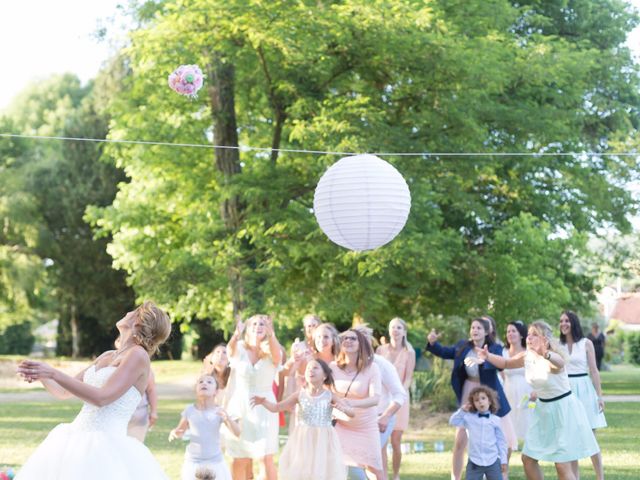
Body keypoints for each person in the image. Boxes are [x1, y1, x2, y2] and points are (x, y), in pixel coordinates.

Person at [15, 301, 172, 480]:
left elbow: (102, 398)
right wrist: (41, 374)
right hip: (74, 439)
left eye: (134, 311)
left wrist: (53, 372)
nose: (128, 311)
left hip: (106, 447)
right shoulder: (107, 355)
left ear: (139, 322)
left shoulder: (138, 355)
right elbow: (62, 392)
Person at [475, 321, 600, 480]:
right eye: (529, 334)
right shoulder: (527, 356)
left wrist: (545, 353)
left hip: (563, 411)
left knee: (561, 464)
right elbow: (506, 363)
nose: (529, 337)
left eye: (535, 334)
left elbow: (559, 364)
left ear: (545, 339)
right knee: (527, 459)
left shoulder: (552, 355)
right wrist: (488, 356)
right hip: (543, 411)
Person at [425, 318, 511, 480]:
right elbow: (445, 352)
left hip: (487, 394)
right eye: (473, 327)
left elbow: (500, 365)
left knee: (490, 436)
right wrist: (433, 343)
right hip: (469, 392)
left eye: (479, 327)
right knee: (460, 440)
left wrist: (484, 360)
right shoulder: (463, 346)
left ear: (487, 331)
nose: (475, 330)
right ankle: (455, 477)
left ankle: (497, 474)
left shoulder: (495, 348)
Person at [251, 359, 353, 480]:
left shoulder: (329, 395)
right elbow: (276, 408)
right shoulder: (300, 395)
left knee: (322, 469)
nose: (311, 370)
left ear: (324, 376)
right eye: (308, 368)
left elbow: (352, 413)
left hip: (323, 440)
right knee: (303, 470)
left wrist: (344, 409)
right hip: (303, 439)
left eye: (315, 368)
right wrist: (264, 402)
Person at [223, 314, 282, 480]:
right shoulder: (240, 347)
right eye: (254, 324)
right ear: (247, 329)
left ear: (268, 328)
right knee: (240, 456)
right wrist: (236, 334)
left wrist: (272, 335)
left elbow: (277, 358)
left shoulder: (273, 348)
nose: (258, 326)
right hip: (241, 405)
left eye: (262, 324)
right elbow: (229, 351)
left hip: (265, 406)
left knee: (266, 456)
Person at [330, 328, 384, 480]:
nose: (348, 341)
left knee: (375, 469)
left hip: (366, 427)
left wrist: (351, 403)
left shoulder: (372, 368)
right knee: (339, 468)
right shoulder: (333, 367)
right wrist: (338, 402)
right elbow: (326, 391)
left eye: (353, 338)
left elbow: (375, 398)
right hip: (340, 426)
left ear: (361, 344)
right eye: (345, 338)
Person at [559, 311, 606, 480]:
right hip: (566, 391)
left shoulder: (586, 343)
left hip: (585, 390)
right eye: (561, 321)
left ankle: (600, 477)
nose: (563, 323)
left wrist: (599, 396)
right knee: (571, 438)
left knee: (590, 438)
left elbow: (594, 370)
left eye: (566, 321)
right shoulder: (558, 345)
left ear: (573, 322)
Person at [169, 374, 240, 480]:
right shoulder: (189, 410)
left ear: (216, 392)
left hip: (215, 462)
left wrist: (227, 419)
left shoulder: (219, 411)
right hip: (193, 462)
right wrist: (175, 433)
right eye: (201, 382)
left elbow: (237, 433)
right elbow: (180, 431)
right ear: (196, 390)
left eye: (209, 382)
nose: (204, 383)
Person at [375, 318, 415, 480]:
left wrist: (400, 394)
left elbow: (409, 377)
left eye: (399, 327)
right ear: (389, 330)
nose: (396, 330)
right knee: (382, 442)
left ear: (404, 331)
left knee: (396, 441)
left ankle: (396, 475)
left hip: (401, 400)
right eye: (393, 327)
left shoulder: (409, 352)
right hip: (382, 400)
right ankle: (382, 475)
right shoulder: (380, 350)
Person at [449, 386, 507, 480]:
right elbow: (453, 421)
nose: (480, 402)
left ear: (490, 401)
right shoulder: (469, 418)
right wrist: (462, 411)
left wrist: (503, 460)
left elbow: (501, 442)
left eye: (483, 398)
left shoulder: (496, 420)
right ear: (473, 404)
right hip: (474, 461)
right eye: (476, 400)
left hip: (492, 460)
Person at [502, 321, 533, 445]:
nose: (510, 333)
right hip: (508, 390)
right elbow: (502, 373)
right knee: (510, 419)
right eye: (508, 331)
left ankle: (530, 445)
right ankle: (510, 444)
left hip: (527, 391)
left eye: (513, 331)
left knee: (527, 416)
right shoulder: (503, 352)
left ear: (521, 335)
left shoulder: (529, 352)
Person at [127, 368, 158, 442]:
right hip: (116, 415)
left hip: (138, 415)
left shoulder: (145, 367)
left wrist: (154, 412)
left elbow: (151, 390)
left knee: (135, 446)